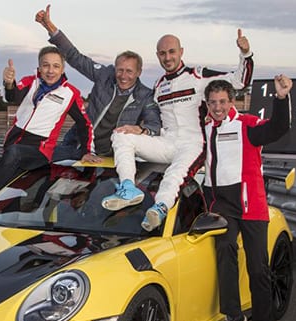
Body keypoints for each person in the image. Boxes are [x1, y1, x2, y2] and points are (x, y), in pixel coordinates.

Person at [102, 31, 254, 231]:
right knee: (121, 134)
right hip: (166, 142)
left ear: (181, 52)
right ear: (158, 56)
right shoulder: (158, 85)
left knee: (174, 175)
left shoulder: (198, 75)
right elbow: (152, 120)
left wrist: (245, 53)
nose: (167, 57)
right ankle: (128, 188)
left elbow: (239, 82)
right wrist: (140, 130)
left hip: (193, 144)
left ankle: (160, 207)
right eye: (162, 53)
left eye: (172, 52)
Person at [203, 76, 292, 321]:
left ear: (232, 102)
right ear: (207, 104)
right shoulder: (203, 128)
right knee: (225, 249)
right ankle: (233, 317)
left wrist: (281, 99)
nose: (217, 107)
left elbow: (278, 128)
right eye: (212, 102)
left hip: (251, 205)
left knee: (258, 271)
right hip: (222, 206)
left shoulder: (247, 125)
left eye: (222, 102)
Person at [0, 46, 93, 220]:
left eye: (56, 66)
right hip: (14, 142)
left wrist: (87, 151)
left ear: (62, 69)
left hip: (40, 150)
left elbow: (84, 123)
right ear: (39, 67)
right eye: (46, 65)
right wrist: (9, 83)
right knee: (11, 194)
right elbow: (13, 97)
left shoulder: (70, 93)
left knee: (15, 153)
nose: (50, 70)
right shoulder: (30, 81)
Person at [35, 5, 161, 162]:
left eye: (129, 71)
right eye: (119, 70)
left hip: (110, 155)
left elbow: (154, 125)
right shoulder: (105, 75)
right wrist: (49, 27)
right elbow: (75, 57)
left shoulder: (145, 96)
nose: (123, 76)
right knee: (47, 177)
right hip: (78, 145)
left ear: (138, 72)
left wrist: (141, 130)